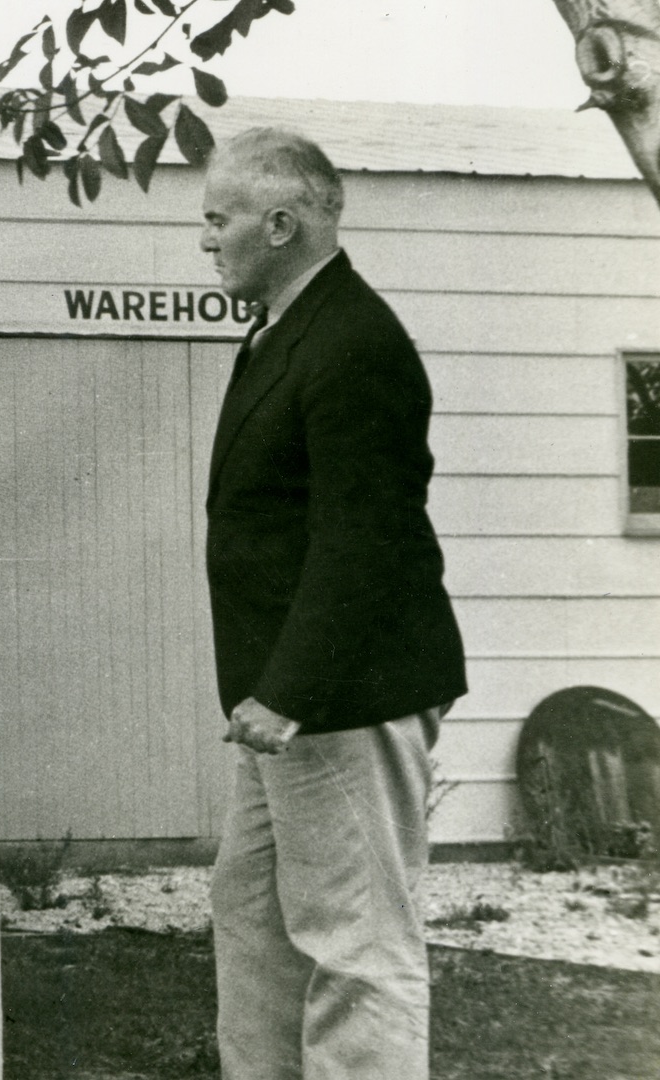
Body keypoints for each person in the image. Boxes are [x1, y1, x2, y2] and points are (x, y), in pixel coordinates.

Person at [198, 127, 466, 1080]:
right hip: (285, 698)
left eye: (216, 218)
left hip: (344, 694)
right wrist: (269, 692)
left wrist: (289, 691)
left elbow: (366, 538)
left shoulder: (354, 342)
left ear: (279, 224)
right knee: (253, 910)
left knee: (357, 944)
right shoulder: (286, 330)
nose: (205, 240)